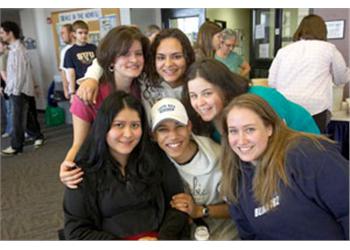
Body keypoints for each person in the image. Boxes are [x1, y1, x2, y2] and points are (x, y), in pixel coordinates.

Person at [220, 93, 349, 240]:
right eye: (233, 131)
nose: (241, 140)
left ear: (269, 128)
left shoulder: (305, 154)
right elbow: (250, 237)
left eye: (250, 129)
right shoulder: (236, 180)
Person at [64, 91, 189, 240]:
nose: (128, 134)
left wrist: (161, 240)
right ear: (104, 127)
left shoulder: (155, 156)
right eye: (119, 125)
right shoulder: (82, 170)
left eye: (135, 125)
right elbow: (76, 232)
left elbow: (178, 205)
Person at [59, 25, 149, 188]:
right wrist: (67, 166)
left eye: (138, 53)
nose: (134, 60)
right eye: (125, 54)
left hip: (138, 167)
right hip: (103, 171)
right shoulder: (89, 93)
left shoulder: (144, 88)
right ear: (112, 59)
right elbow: (79, 143)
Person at [150, 97, 238, 240]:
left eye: (179, 126)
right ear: (154, 136)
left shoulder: (218, 158)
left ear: (189, 127)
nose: (172, 136)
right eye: (163, 130)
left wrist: (200, 210)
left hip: (222, 232)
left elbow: (240, 208)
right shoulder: (153, 161)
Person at [182, 58, 320, 143]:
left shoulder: (259, 99)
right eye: (193, 96)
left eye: (207, 93)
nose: (199, 103)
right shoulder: (208, 124)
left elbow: (277, 147)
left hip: (302, 144)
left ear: (224, 88)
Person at [75, 28, 195, 122]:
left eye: (177, 56)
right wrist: (91, 78)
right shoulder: (146, 79)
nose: (168, 64)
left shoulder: (196, 86)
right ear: (153, 59)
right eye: (161, 57)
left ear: (187, 57)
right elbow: (106, 59)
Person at [268, 14, 350, 133]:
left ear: (300, 29)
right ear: (323, 31)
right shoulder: (329, 48)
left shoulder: (283, 51)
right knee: (313, 145)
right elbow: (341, 79)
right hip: (316, 108)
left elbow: (272, 82)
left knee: (288, 144)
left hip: (287, 106)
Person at [0, 21, 44, 156]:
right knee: (28, 115)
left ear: (10, 33)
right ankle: (38, 136)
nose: (0, 35)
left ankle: (16, 146)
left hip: (18, 90)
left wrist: (14, 91)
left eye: (2, 32)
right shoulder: (14, 49)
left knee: (17, 118)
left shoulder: (18, 50)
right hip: (18, 89)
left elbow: (18, 75)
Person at [64, 20, 96, 101]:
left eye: (85, 33)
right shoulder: (70, 52)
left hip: (94, 84)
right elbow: (71, 74)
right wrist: (72, 93)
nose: (83, 35)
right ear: (74, 34)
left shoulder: (94, 48)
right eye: (80, 33)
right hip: (80, 88)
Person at [59, 23, 74, 99]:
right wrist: (65, 89)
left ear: (71, 34)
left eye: (63, 33)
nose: (62, 36)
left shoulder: (81, 48)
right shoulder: (64, 51)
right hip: (71, 90)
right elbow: (63, 71)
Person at [0, 38, 11, 137]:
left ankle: (10, 130)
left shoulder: (6, 55)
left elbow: (3, 73)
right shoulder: (3, 56)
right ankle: (9, 129)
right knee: (9, 109)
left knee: (10, 110)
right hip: (6, 86)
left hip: (9, 86)